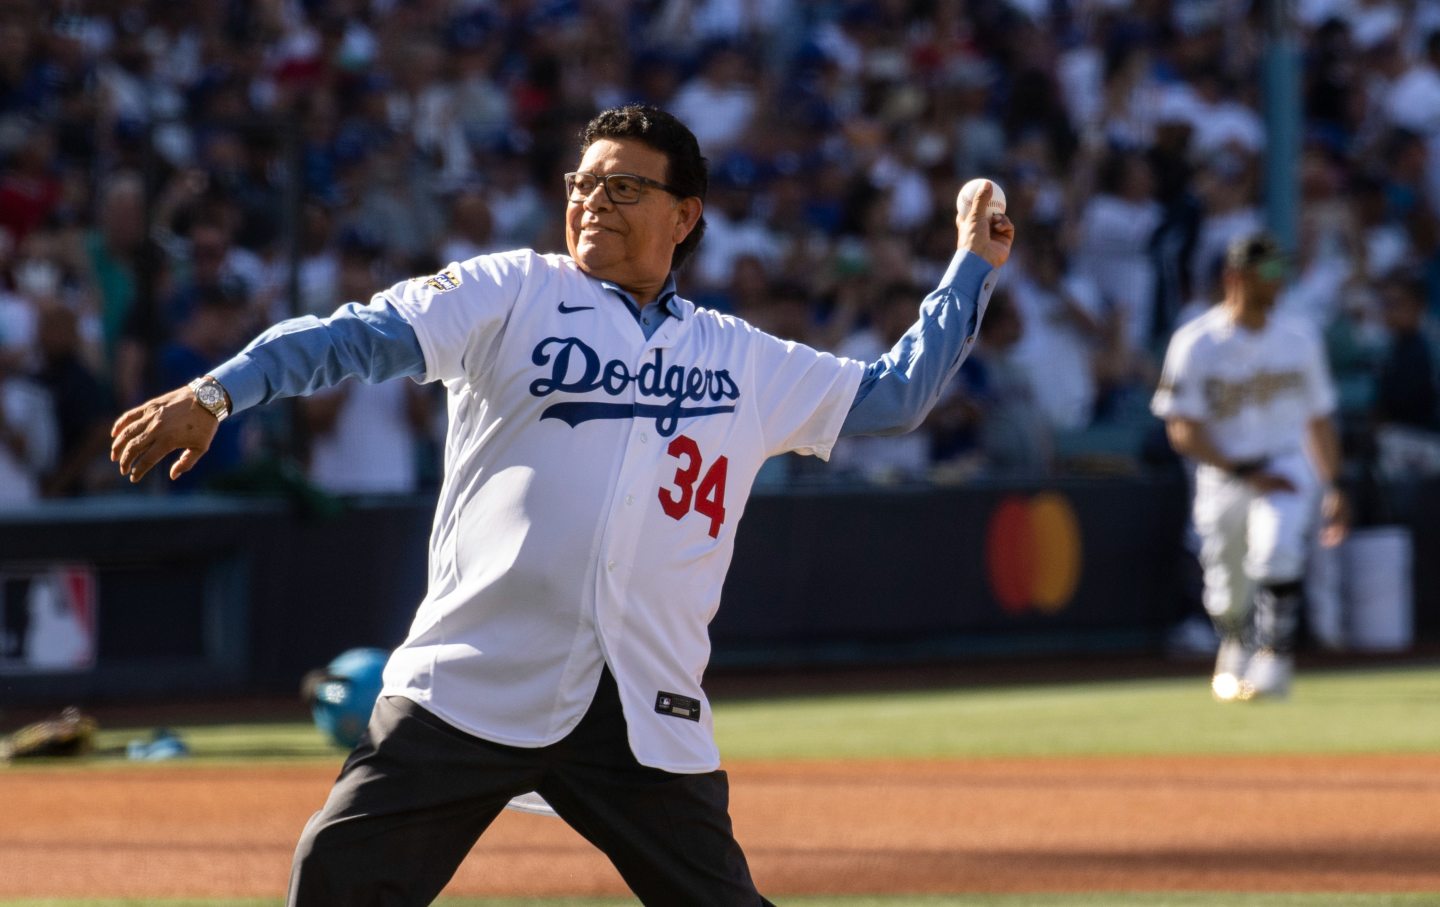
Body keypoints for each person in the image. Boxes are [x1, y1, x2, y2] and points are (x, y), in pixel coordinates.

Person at [110, 105, 1012, 906]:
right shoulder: (514, 291)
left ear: (684, 214)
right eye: (582, 184)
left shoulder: (742, 358)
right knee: (338, 875)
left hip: (641, 702)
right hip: (474, 677)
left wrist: (970, 265)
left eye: (624, 187)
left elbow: (895, 397)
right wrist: (221, 392)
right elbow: (356, 335)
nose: (592, 202)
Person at [1151, 231, 1348, 703]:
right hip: (1224, 473)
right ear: (1235, 276)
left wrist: (1334, 484)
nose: (1278, 281)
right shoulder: (1196, 342)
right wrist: (1242, 471)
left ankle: (1274, 661)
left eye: (1282, 271)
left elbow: (1319, 419)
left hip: (1284, 464)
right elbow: (1182, 429)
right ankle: (1235, 648)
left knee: (1277, 550)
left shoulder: (1299, 337)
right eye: (1269, 271)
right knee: (1225, 586)